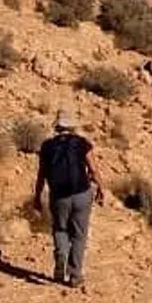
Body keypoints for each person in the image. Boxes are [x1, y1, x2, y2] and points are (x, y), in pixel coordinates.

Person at [33, 111, 101, 289]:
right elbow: (93, 169)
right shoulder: (82, 143)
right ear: (72, 127)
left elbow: (41, 175)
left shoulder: (47, 146)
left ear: (57, 127)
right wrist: (101, 187)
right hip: (81, 194)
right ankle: (75, 275)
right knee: (79, 234)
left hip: (58, 196)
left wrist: (37, 196)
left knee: (60, 229)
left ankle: (61, 254)